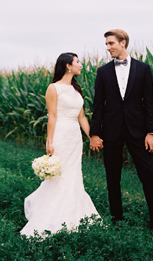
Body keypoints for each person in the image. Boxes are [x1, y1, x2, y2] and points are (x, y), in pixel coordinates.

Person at [89, 29, 153, 229]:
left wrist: (151, 133)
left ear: (123, 43)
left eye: (111, 43)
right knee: (112, 175)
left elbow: (149, 103)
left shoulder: (143, 69)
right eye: (106, 44)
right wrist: (95, 133)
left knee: (148, 173)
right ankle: (117, 218)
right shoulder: (103, 72)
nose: (108, 48)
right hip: (111, 130)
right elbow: (98, 105)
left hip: (138, 130)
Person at [21, 52, 100, 237]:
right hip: (60, 134)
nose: (80, 65)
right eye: (77, 62)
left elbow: (81, 117)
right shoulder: (53, 88)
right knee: (60, 175)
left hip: (75, 137)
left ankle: (75, 212)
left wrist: (92, 137)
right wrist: (49, 141)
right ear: (67, 65)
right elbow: (53, 116)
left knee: (74, 174)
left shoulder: (76, 89)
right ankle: (50, 214)